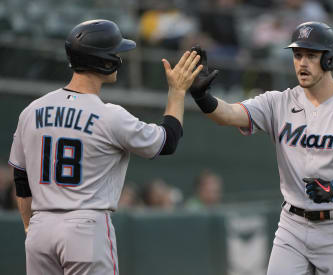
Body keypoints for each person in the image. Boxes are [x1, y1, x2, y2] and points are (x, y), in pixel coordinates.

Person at [189, 21, 333, 275]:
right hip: (292, 225)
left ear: (329, 60)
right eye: (297, 55)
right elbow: (229, 114)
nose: (302, 62)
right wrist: (202, 97)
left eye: (311, 55)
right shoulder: (279, 102)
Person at [8, 19, 202, 275]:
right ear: (104, 60)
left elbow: (21, 179)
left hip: (41, 227)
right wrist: (177, 91)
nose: (119, 56)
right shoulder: (109, 116)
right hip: (85, 228)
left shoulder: (32, 111)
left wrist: (30, 228)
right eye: (116, 52)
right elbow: (167, 141)